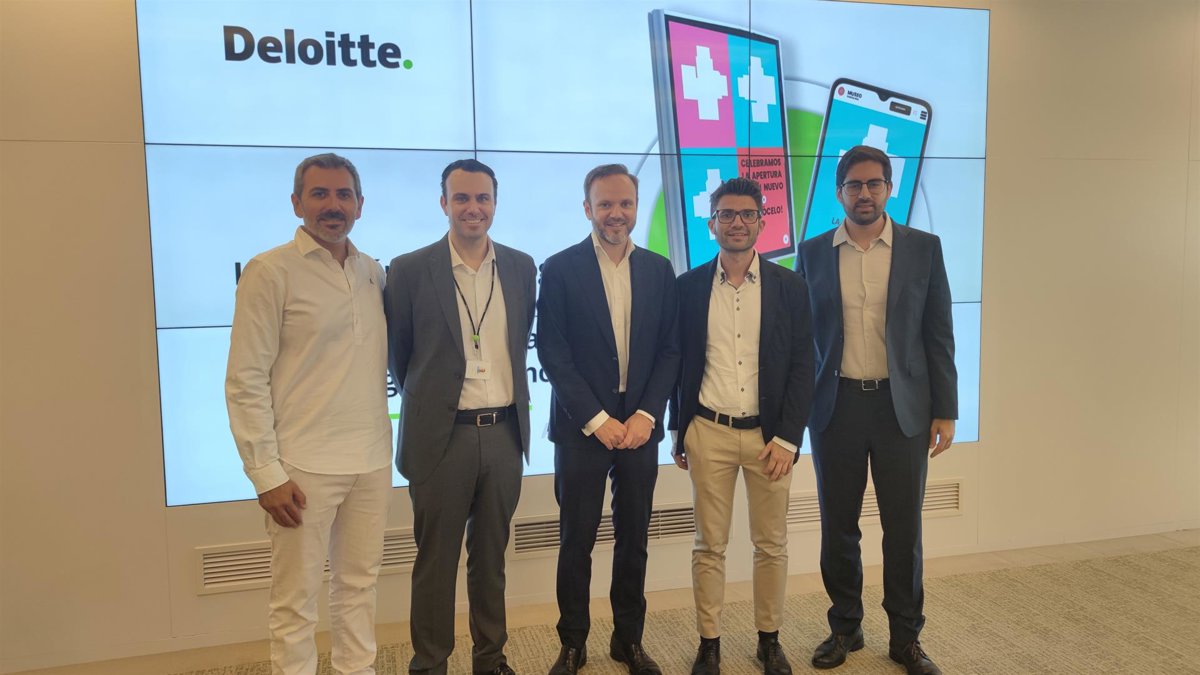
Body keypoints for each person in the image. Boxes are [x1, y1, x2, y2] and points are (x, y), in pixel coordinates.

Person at [226, 153, 393, 675]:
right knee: (295, 602)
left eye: (343, 195)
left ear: (360, 205)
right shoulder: (269, 271)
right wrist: (266, 474)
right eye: (319, 194)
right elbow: (245, 380)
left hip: (371, 460)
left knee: (359, 588)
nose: (332, 205)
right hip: (301, 468)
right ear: (296, 202)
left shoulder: (372, 272)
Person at [796, 145, 957, 675]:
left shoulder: (923, 248)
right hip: (835, 407)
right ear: (838, 192)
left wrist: (946, 409)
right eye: (853, 185)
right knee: (839, 526)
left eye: (873, 184)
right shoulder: (813, 252)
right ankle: (845, 626)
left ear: (889, 188)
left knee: (903, 530)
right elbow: (799, 339)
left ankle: (906, 638)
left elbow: (938, 334)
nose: (863, 193)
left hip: (902, 410)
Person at [384, 159, 536, 675]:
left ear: (495, 202)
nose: (473, 208)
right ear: (443, 202)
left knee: (491, 560)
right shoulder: (409, 269)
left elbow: (518, 341)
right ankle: (430, 664)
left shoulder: (520, 267)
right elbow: (402, 357)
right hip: (440, 437)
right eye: (462, 198)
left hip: (504, 433)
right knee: (436, 563)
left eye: (482, 198)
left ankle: (491, 660)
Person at [536, 164, 680, 675]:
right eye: (605, 204)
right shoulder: (559, 268)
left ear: (636, 207)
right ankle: (573, 642)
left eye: (625, 204)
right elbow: (553, 352)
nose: (616, 213)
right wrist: (596, 418)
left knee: (633, 539)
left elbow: (671, 349)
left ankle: (628, 640)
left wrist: (647, 414)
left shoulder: (659, 269)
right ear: (587, 208)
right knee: (576, 540)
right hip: (582, 427)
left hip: (640, 426)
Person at [671, 177, 814, 675]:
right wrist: (679, 429)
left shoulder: (790, 286)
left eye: (747, 214)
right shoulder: (687, 287)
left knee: (770, 544)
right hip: (707, 431)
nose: (737, 222)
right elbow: (678, 362)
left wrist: (789, 438)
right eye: (727, 214)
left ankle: (768, 641)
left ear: (761, 222)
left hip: (769, 438)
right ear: (711, 224)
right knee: (708, 545)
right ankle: (708, 643)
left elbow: (804, 365)